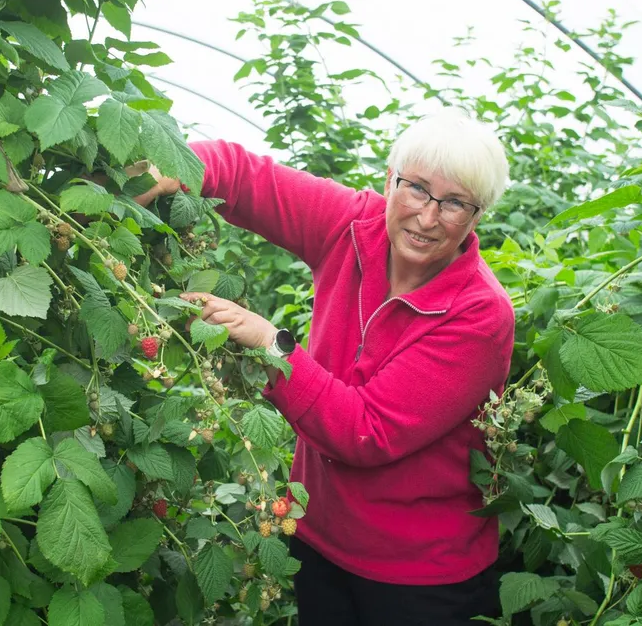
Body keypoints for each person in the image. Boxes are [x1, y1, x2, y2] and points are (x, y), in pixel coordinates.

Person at [134, 107, 515, 625]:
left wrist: (273, 344)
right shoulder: (352, 227)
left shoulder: (479, 315)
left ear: (476, 216)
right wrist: (163, 169)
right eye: (417, 189)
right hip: (318, 540)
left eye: (454, 203)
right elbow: (245, 178)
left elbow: (366, 431)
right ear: (390, 179)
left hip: (420, 579)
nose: (427, 217)